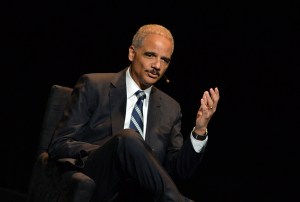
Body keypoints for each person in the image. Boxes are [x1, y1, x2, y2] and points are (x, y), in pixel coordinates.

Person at [48, 24, 220, 202]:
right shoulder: (94, 85)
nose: (157, 66)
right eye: (150, 55)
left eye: (165, 60)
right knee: (128, 139)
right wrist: (115, 151)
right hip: (98, 180)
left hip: (139, 192)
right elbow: (60, 144)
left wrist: (199, 130)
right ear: (132, 53)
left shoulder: (171, 108)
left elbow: (179, 170)